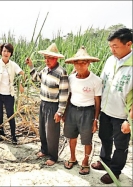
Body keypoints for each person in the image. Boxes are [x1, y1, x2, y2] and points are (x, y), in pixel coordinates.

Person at [91, 28, 132, 184]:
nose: (112, 50)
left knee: (120, 145)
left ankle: (114, 171)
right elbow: (102, 83)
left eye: (115, 46)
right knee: (104, 138)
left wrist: (129, 120)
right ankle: (104, 161)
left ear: (129, 44)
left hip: (122, 115)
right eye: (110, 46)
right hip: (106, 110)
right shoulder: (110, 60)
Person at [25, 43, 69, 166]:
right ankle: (44, 150)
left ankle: (53, 156)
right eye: (46, 58)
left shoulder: (61, 73)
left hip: (53, 106)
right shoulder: (45, 70)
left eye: (50, 58)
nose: (47, 60)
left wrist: (60, 111)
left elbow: (64, 94)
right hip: (43, 103)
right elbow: (35, 77)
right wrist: (31, 66)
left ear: (56, 59)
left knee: (52, 133)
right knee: (43, 130)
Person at [62, 46, 102, 175]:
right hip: (72, 110)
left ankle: (85, 161)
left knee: (87, 139)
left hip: (88, 112)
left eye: (83, 62)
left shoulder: (96, 80)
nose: (80, 66)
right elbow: (68, 96)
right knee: (71, 136)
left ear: (88, 63)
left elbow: (97, 102)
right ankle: (72, 157)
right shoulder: (71, 78)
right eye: (77, 63)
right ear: (73, 64)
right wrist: (65, 112)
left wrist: (95, 119)